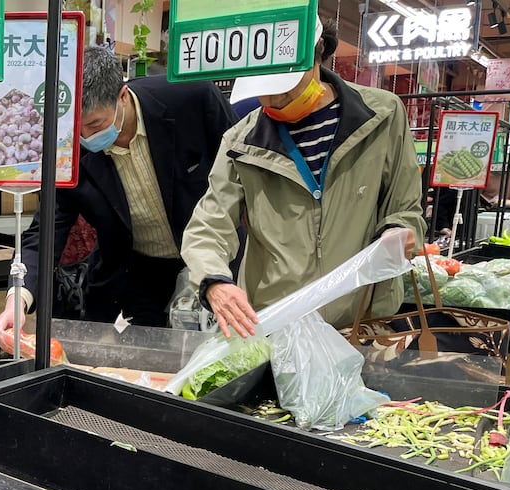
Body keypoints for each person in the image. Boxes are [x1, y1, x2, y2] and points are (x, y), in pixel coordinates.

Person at [181, 18, 423, 339]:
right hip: (277, 325)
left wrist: (399, 232)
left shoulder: (382, 116)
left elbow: (405, 207)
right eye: (261, 89)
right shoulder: (241, 141)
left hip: (363, 325)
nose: (271, 100)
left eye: (283, 86)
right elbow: (209, 226)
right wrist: (214, 282)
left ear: (316, 55)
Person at [0, 47, 234, 334]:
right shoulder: (67, 149)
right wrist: (17, 299)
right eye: (76, 128)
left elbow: (240, 173)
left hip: (216, 262)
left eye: (95, 124)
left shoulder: (191, 99)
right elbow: (45, 232)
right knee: (148, 359)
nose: (86, 137)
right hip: (140, 270)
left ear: (122, 95)